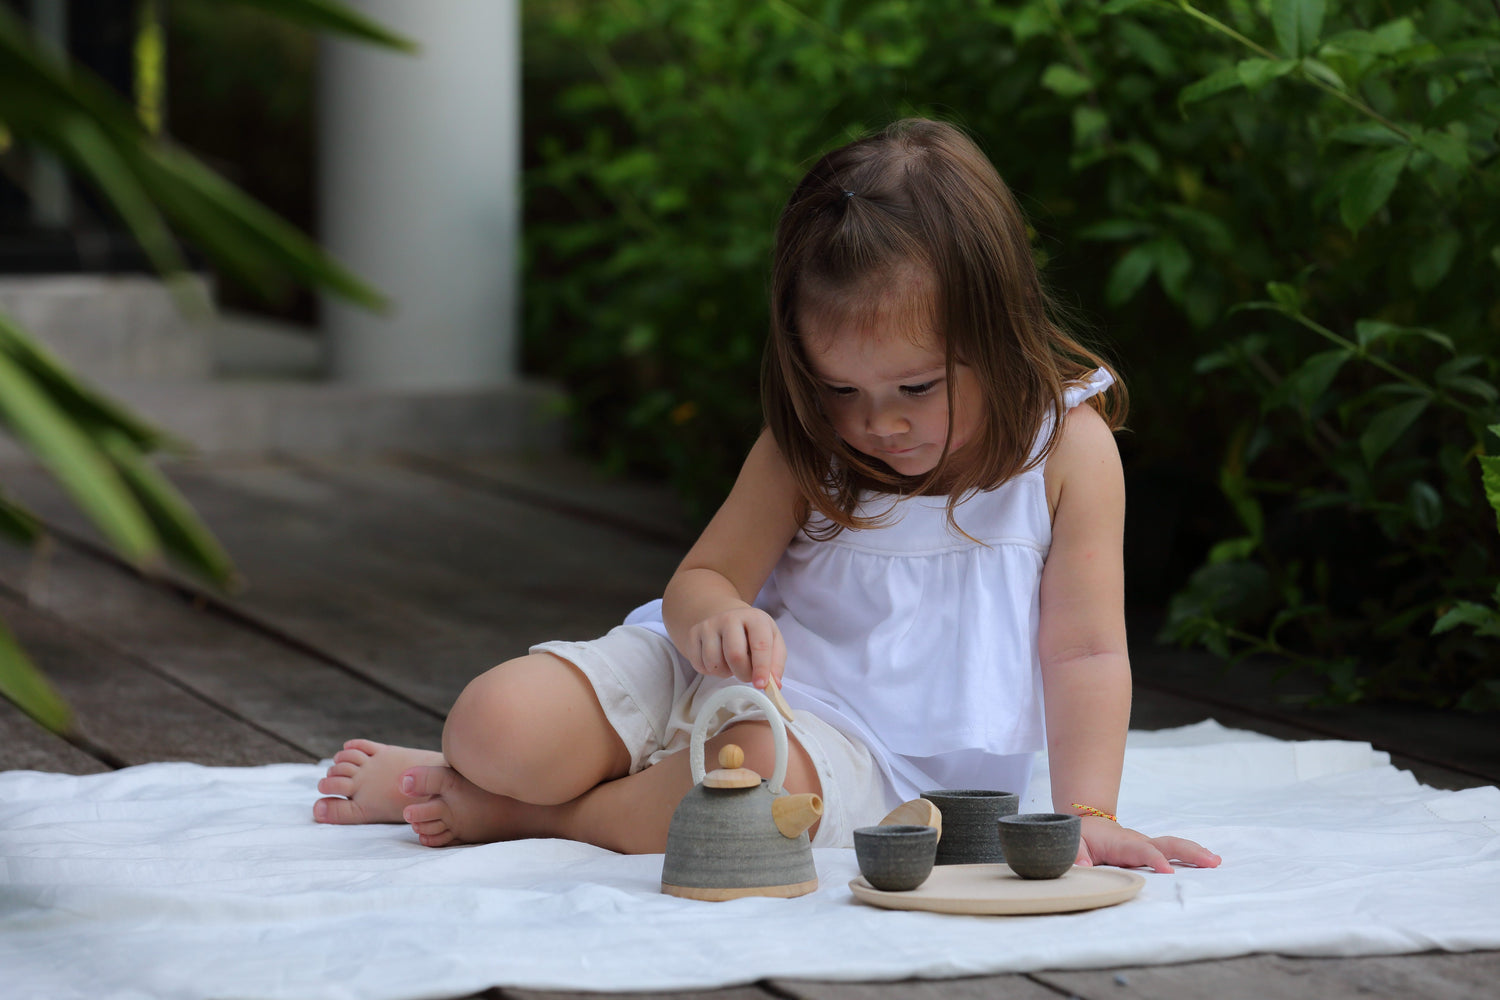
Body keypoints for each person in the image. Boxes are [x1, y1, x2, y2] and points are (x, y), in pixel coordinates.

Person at [313, 118, 1220, 873]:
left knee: (742, 796)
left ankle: (525, 818)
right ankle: (490, 774)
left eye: (915, 389)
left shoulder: (1066, 447)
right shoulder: (811, 443)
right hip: (717, 676)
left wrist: (1087, 810)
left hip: (864, 755)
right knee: (495, 721)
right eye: (839, 390)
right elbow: (703, 578)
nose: (879, 425)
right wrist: (711, 617)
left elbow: (1087, 654)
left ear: (1000, 326)